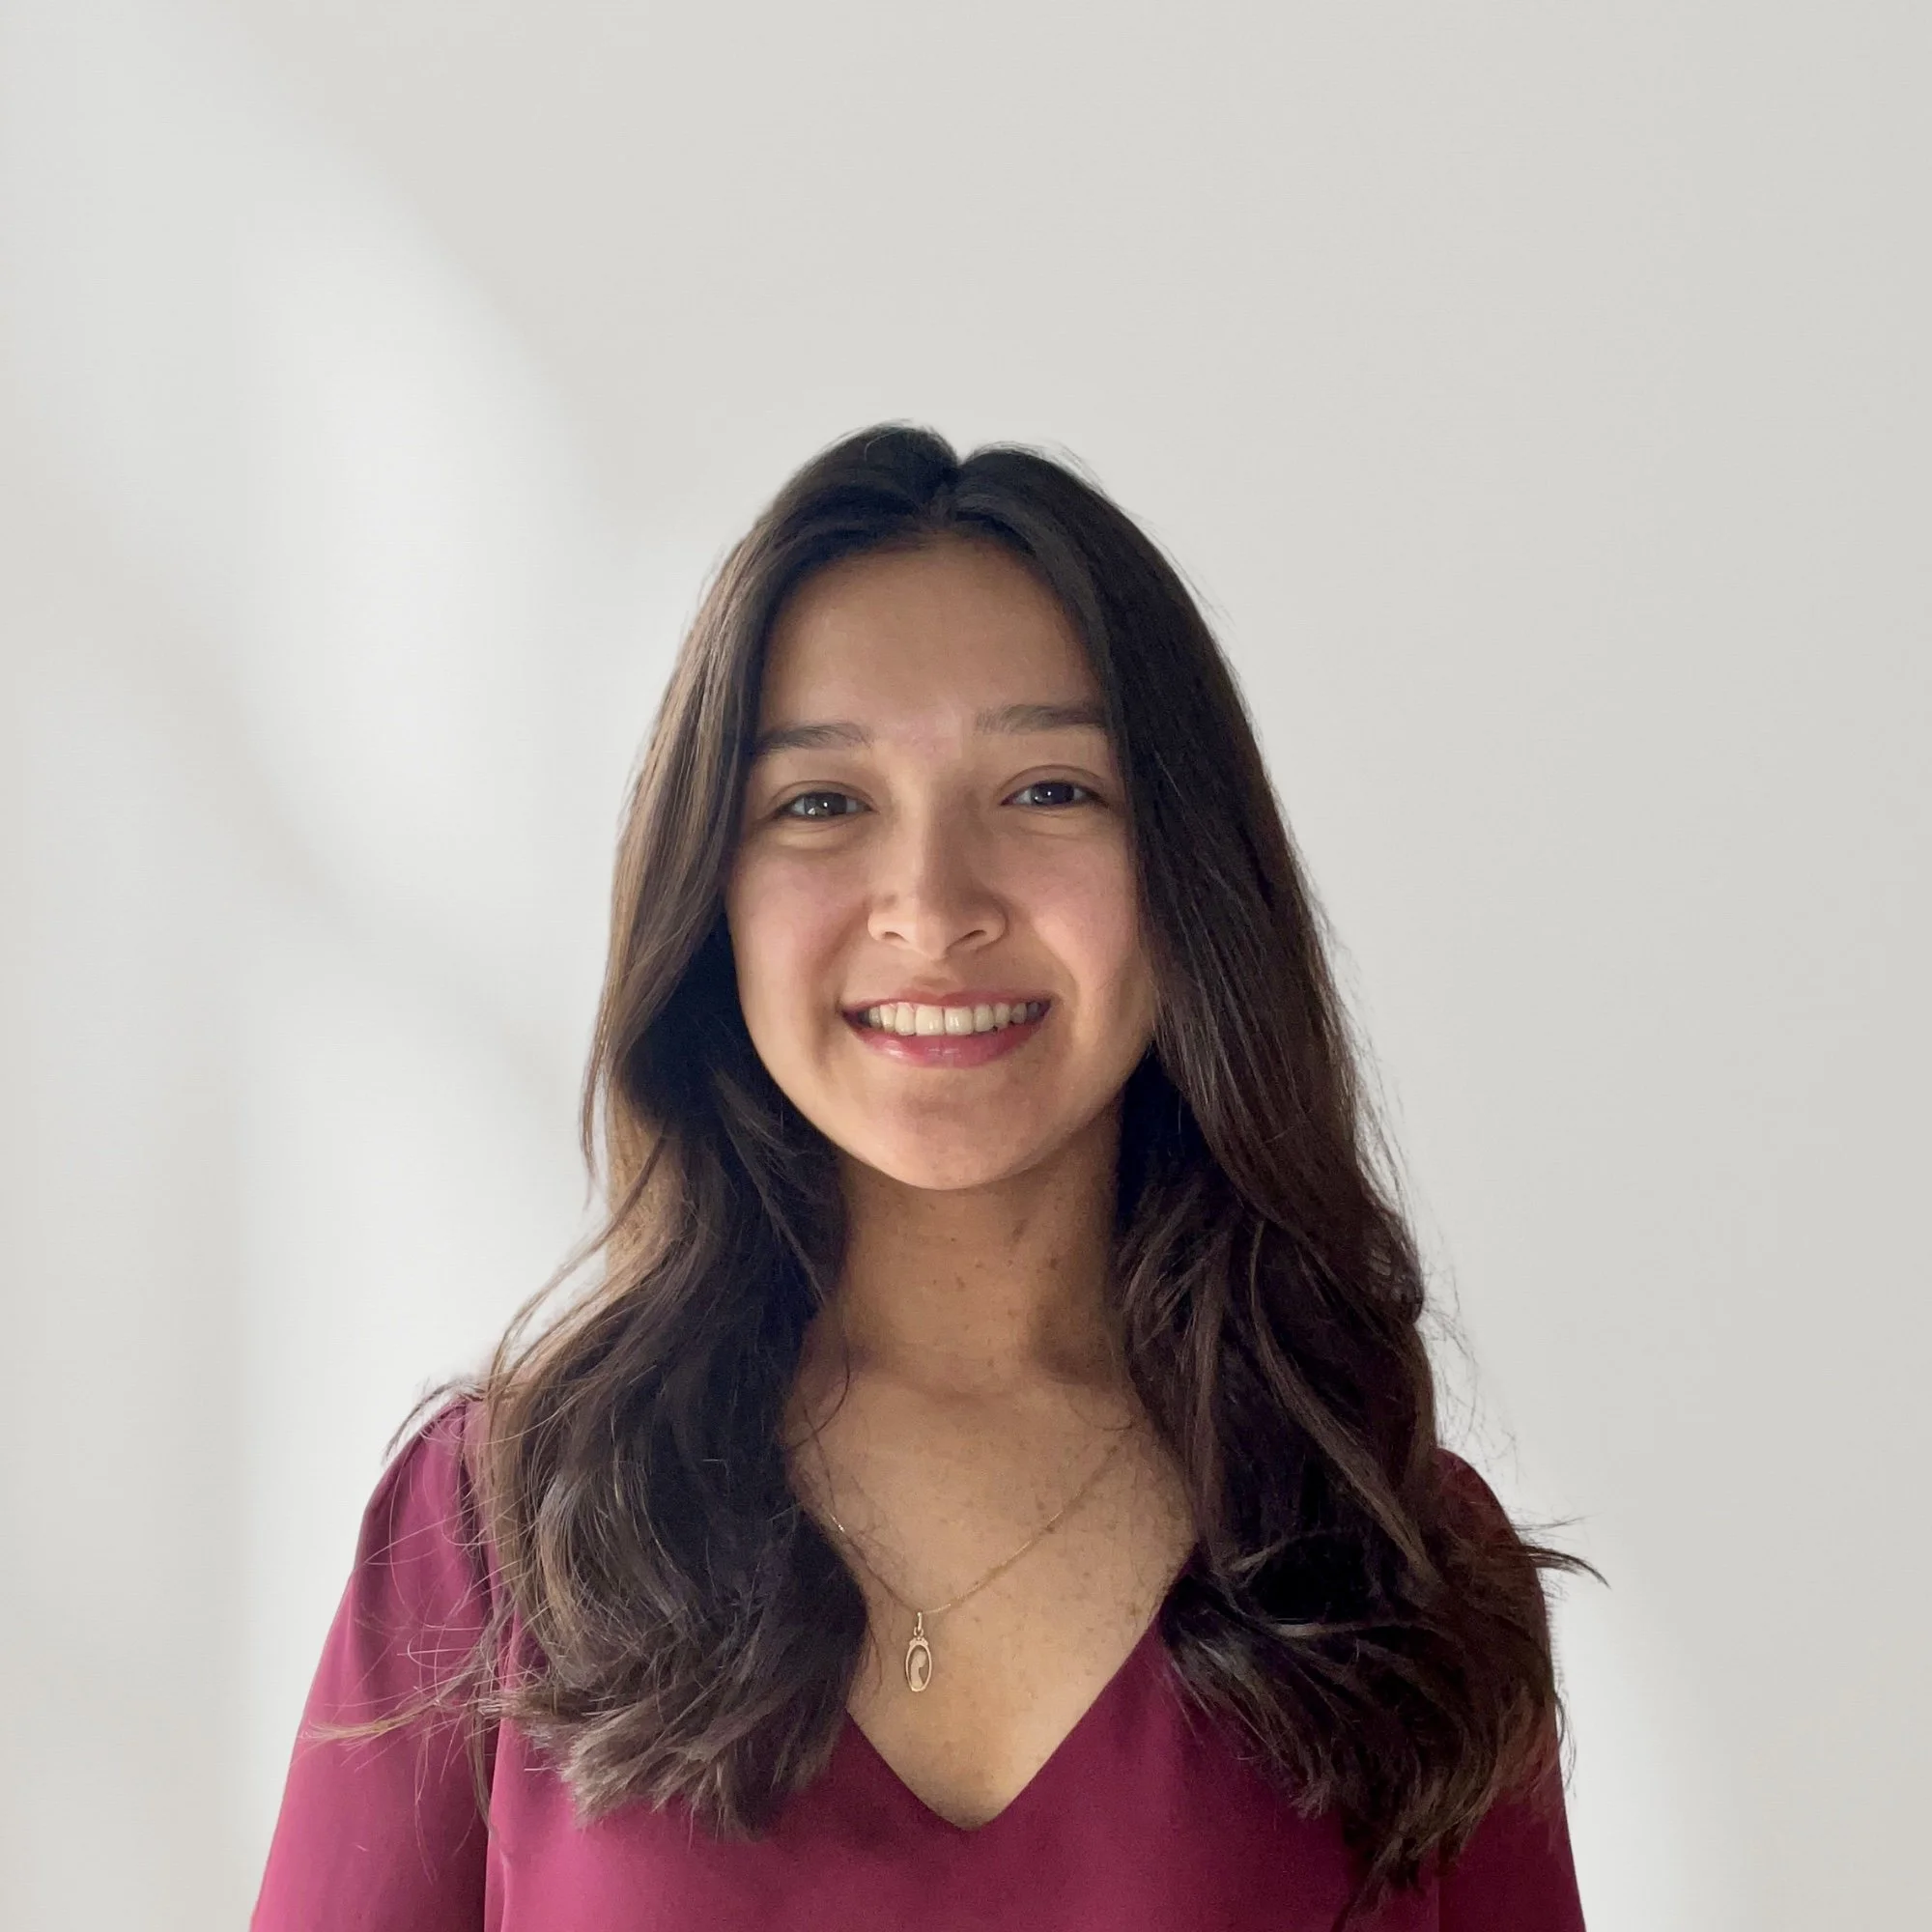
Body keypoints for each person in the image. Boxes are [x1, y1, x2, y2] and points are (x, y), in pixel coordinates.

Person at [251, 425, 1591, 1931]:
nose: (935, 907)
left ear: (1187, 874)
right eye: (822, 803)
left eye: (1048, 792)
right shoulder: (499, 1527)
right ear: (714, 901)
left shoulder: (1399, 1556)